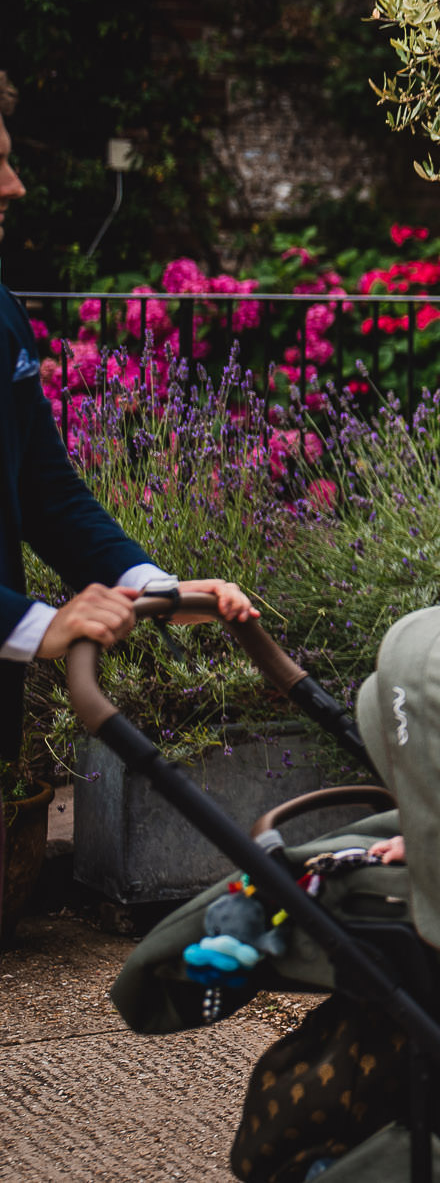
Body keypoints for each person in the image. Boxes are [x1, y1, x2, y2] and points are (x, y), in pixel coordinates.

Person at [0, 73, 257, 759]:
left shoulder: (2, 312)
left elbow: (46, 492)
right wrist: (27, 622)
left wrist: (154, 586)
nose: (15, 185)